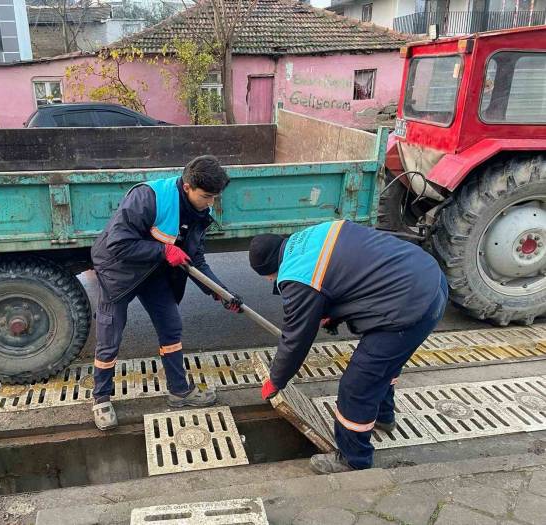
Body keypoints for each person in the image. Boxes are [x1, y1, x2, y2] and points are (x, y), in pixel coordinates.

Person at [248, 220, 448, 473]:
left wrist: (276, 381)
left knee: (358, 384)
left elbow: (295, 339)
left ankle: (353, 460)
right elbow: (350, 270)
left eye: (269, 278)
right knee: (384, 364)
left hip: (408, 305)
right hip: (431, 280)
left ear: (269, 272)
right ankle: (383, 417)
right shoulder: (312, 235)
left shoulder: (296, 276)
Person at [90, 155, 243, 430]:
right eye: (206, 196)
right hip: (118, 271)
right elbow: (117, 244)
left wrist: (222, 292)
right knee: (109, 334)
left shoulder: (199, 214)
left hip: (154, 272)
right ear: (187, 187)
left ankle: (179, 390)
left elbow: (195, 261)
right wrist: (163, 250)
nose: (211, 203)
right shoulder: (147, 198)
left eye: (214, 197)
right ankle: (101, 398)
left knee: (171, 327)